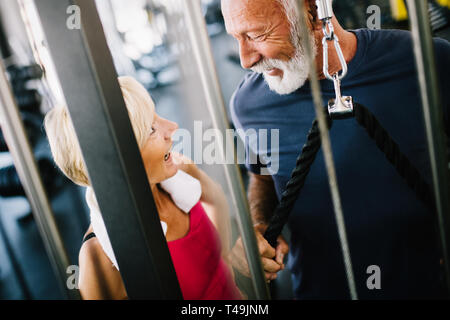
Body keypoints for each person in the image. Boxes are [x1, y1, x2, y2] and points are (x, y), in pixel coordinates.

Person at [222, 0, 450, 299]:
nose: (245, 59)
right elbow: (263, 175)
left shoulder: (426, 60)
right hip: (322, 288)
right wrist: (258, 224)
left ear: (314, 14)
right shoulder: (249, 104)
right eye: (236, 38)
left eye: (256, 35)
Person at [44, 76, 242, 300]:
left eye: (157, 116)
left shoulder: (181, 169)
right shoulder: (98, 257)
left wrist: (224, 262)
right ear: (119, 160)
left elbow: (216, 198)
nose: (172, 127)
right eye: (151, 129)